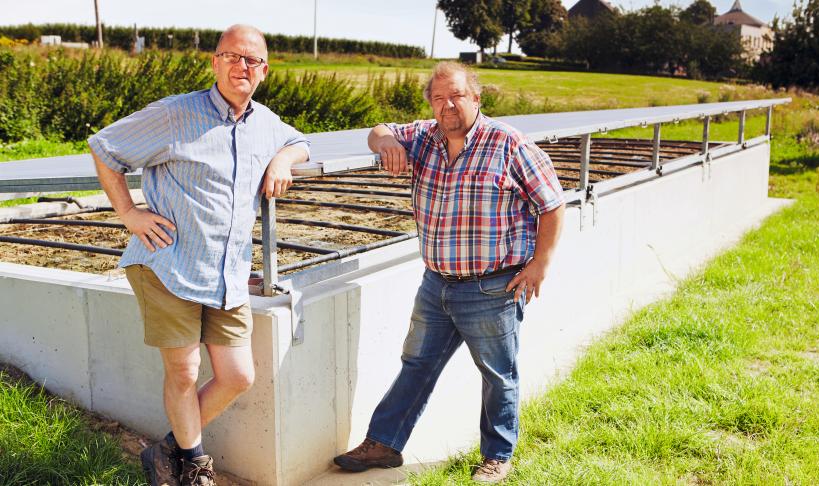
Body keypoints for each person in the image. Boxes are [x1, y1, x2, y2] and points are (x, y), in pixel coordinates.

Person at [89, 24, 310, 486]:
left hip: (227, 275)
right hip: (168, 263)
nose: (241, 66)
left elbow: (300, 141)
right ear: (214, 63)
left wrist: (282, 160)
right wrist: (129, 212)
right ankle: (194, 466)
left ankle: (167, 450)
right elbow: (105, 147)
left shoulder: (265, 123)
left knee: (237, 376)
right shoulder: (175, 114)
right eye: (231, 56)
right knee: (185, 371)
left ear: (264, 71)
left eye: (251, 60)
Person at [333, 61, 565, 483]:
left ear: (476, 97)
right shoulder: (424, 137)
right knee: (416, 364)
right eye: (438, 98)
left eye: (456, 95)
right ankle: (384, 443)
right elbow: (378, 129)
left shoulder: (509, 144)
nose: (447, 105)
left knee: (498, 374)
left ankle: (497, 455)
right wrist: (387, 142)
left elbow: (552, 203)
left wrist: (540, 264)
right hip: (436, 284)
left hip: (493, 286)